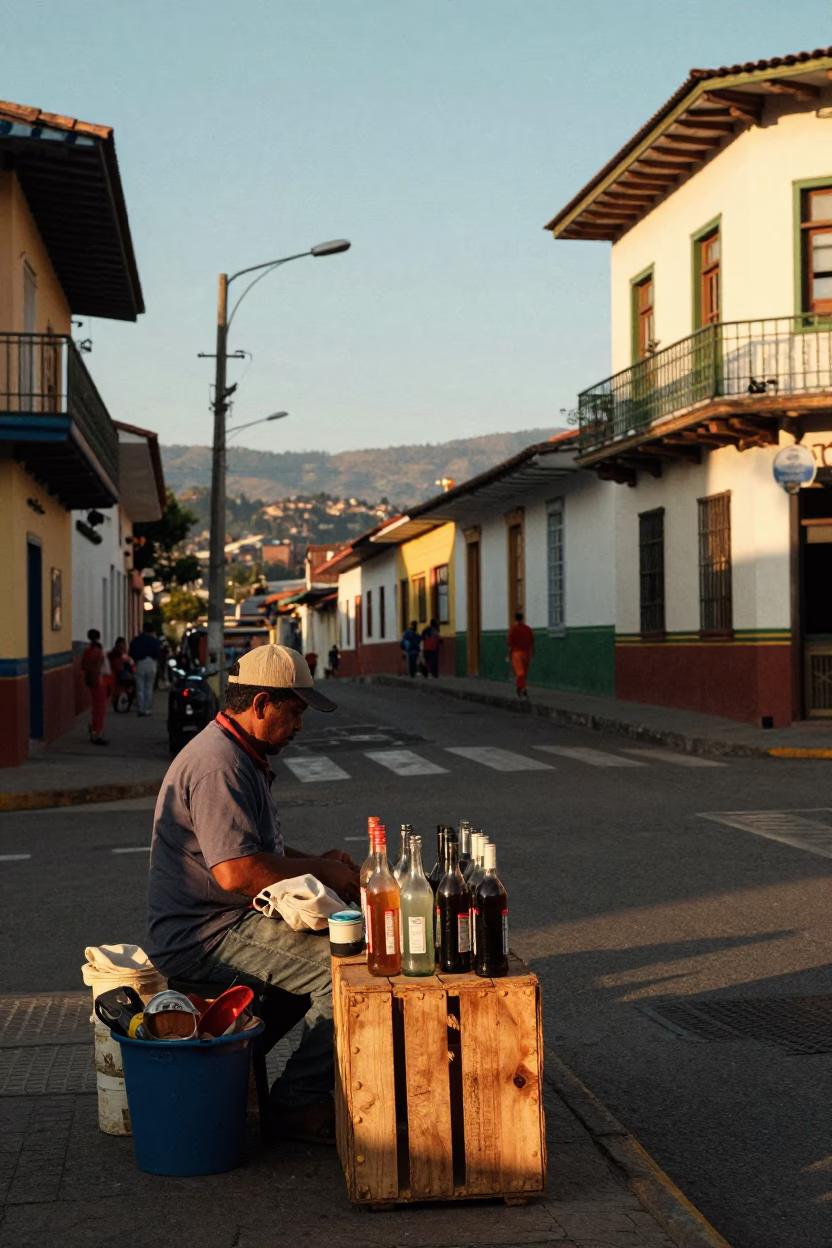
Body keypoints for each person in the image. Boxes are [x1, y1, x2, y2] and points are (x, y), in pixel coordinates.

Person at [145, 645, 357, 1145]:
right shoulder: (219, 764)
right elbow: (237, 873)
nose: (300, 726)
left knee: (341, 942)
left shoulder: (238, 751)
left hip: (224, 920)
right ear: (261, 704)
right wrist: (320, 869)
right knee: (344, 965)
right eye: (295, 711)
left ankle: (242, 1076)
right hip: (204, 934)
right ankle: (298, 1103)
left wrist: (320, 866)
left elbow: (258, 850)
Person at [80, 628, 110, 745]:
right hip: (100, 681)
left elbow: (83, 665)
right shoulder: (99, 651)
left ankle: (95, 729)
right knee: (100, 709)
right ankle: (98, 733)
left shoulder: (87, 651)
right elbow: (101, 667)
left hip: (91, 681)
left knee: (96, 707)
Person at [129, 623, 161, 716]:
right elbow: (158, 653)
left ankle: (141, 709)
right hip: (151, 663)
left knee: (140, 687)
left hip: (140, 663)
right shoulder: (154, 641)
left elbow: (131, 652)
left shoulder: (136, 640)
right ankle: (148, 709)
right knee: (149, 688)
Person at [507, 610, 535, 699]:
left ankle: (522, 689)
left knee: (520, 673)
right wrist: (532, 653)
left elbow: (510, 644)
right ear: (523, 618)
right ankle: (521, 688)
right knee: (524, 673)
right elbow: (532, 642)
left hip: (517, 653)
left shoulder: (513, 629)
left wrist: (508, 655)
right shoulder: (528, 629)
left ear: (515, 619)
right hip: (526, 653)